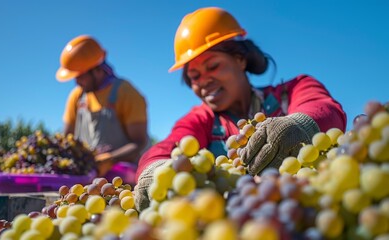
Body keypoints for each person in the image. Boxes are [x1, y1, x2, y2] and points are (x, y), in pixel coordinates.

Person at [134, 7, 346, 210]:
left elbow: (323, 108)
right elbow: (167, 147)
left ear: (240, 60)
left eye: (213, 66)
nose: (205, 81)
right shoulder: (201, 119)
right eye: (195, 76)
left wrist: (300, 125)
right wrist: (155, 170)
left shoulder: (293, 90)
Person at [56, 35, 150, 178]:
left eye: (80, 76)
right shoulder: (76, 97)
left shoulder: (126, 93)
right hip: (87, 179)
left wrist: (111, 158)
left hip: (123, 180)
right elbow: (67, 141)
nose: (77, 82)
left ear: (96, 70)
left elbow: (139, 143)